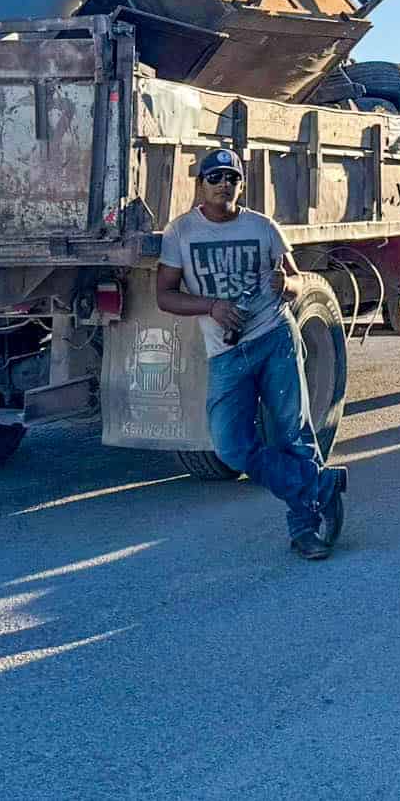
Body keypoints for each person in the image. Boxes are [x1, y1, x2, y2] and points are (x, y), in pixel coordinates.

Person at [155, 147, 347, 561]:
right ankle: (319, 486)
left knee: (293, 434)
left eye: (232, 178)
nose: (225, 184)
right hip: (226, 353)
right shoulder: (181, 233)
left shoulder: (263, 227)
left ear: (242, 185)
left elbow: (297, 283)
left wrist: (287, 287)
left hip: (275, 338)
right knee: (230, 448)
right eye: (215, 177)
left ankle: (305, 529)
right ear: (201, 184)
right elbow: (164, 296)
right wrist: (211, 306)